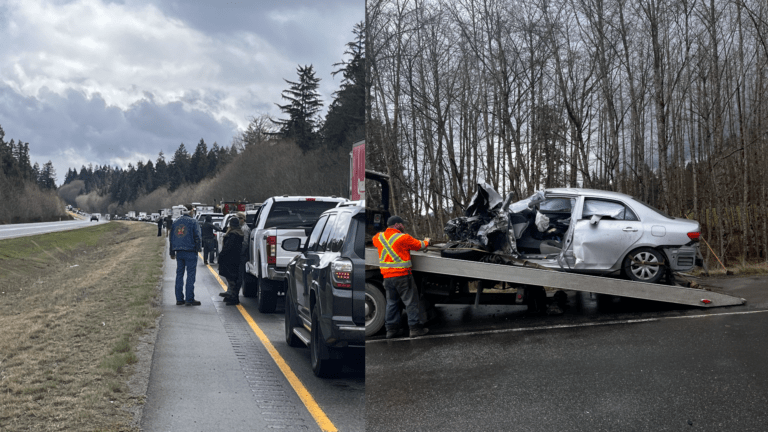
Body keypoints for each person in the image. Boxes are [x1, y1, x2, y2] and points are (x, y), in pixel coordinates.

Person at [372, 215, 431, 338]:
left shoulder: (379, 237)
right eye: (402, 224)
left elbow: (373, 241)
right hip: (403, 276)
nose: (403, 226)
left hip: (387, 278)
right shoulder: (403, 238)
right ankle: (415, 329)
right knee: (411, 302)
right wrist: (427, 241)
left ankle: (391, 330)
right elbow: (419, 246)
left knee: (392, 303)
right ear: (397, 225)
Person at [169, 207, 203, 306]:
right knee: (190, 275)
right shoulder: (193, 222)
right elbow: (197, 236)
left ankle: (179, 299)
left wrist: (172, 252)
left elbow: (172, 238)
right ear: (191, 211)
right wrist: (198, 249)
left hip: (179, 252)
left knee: (179, 274)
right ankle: (189, 299)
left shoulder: (176, 222)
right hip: (190, 251)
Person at [219, 217, 244, 305]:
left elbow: (228, 247)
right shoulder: (240, 233)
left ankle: (234, 298)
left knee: (231, 278)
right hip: (236, 258)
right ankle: (233, 296)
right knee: (234, 278)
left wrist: (221, 255)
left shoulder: (232, 234)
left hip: (229, 259)